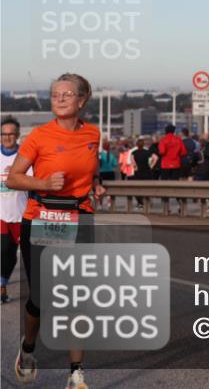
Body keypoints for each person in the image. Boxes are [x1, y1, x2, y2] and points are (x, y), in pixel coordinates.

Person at [6, 73, 104, 389]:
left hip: (79, 218)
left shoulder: (93, 133)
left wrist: (98, 185)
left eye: (67, 94)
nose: (60, 99)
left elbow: (90, 168)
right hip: (43, 218)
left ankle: (76, 373)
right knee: (42, 297)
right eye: (55, 94)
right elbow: (14, 178)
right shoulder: (39, 136)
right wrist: (43, 183)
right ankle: (28, 347)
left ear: (82, 100)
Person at [1, 116, 27, 305]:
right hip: (1, 214)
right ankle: (1, 287)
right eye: (3, 134)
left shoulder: (26, 157)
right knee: (3, 250)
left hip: (22, 214)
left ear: (17, 136)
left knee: (21, 255)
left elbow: (35, 180)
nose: (7, 137)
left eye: (11, 134)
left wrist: (18, 174)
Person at [97, 139, 118, 211]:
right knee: (110, 189)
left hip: (102, 173)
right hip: (110, 174)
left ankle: (100, 204)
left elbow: (97, 164)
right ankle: (109, 204)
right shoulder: (111, 155)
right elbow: (115, 164)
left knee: (100, 189)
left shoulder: (100, 155)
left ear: (103, 147)